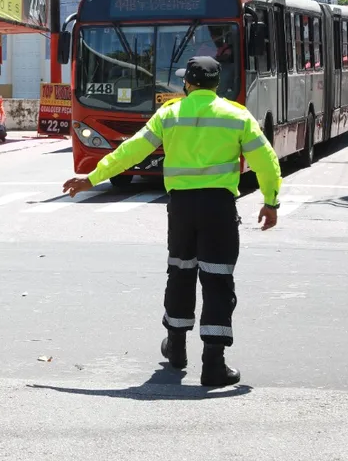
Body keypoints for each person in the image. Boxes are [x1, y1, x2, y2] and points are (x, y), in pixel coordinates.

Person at [63, 57, 283, 387]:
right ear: (216, 83)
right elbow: (265, 160)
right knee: (217, 279)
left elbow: (132, 151)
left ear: (188, 84)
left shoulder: (170, 114)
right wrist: (270, 201)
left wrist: (92, 178)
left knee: (180, 273)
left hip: (181, 209)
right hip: (219, 209)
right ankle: (213, 364)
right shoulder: (236, 115)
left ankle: (176, 349)